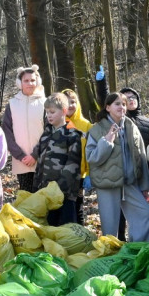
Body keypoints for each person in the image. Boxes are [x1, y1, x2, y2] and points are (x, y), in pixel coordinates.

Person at [86, 92, 149, 242]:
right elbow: (91, 158)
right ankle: (110, 258)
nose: (121, 107)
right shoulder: (97, 129)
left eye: (123, 104)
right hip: (107, 184)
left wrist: (144, 187)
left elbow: (141, 157)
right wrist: (107, 141)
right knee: (110, 230)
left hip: (129, 183)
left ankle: (139, 251)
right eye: (117, 104)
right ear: (108, 107)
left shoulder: (131, 126)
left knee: (145, 214)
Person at [32, 93, 82, 226]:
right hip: (44, 192)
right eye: (47, 112)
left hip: (64, 194)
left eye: (52, 112)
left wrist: (59, 189)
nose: (49, 115)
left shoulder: (72, 134)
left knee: (65, 228)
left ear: (64, 111)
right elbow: (40, 164)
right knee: (47, 226)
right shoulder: (46, 133)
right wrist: (36, 188)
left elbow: (72, 165)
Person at [1, 65, 47, 194]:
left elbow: (49, 131)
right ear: (19, 83)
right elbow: (7, 132)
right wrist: (21, 156)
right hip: (21, 162)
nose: (30, 83)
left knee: (43, 199)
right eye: (26, 80)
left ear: (37, 82)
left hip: (42, 160)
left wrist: (35, 155)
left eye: (32, 80)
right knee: (26, 199)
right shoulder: (12, 104)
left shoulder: (46, 103)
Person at [62, 88, 92, 226]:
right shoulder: (59, 123)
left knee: (78, 204)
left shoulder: (86, 125)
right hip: (63, 173)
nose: (70, 105)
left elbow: (90, 149)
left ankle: (80, 231)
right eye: (67, 102)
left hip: (81, 174)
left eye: (73, 102)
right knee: (65, 205)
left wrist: (88, 172)